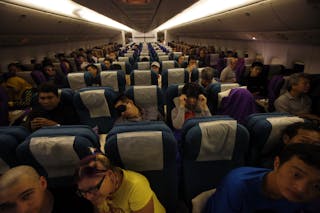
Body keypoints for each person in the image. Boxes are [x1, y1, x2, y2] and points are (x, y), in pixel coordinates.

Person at [204, 143, 320, 213]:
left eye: (316, 185)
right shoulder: (238, 185)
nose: (301, 189)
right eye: (296, 175)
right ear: (277, 164)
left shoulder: (313, 197)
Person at [74, 153, 165, 213]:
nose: (89, 197)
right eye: (83, 192)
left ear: (109, 175)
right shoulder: (97, 193)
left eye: (93, 189)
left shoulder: (136, 186)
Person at [0, 165, 93, 213]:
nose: (21, 210)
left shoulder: (78, 206)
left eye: (26, 196)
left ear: (42, 183)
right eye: (9, 206)